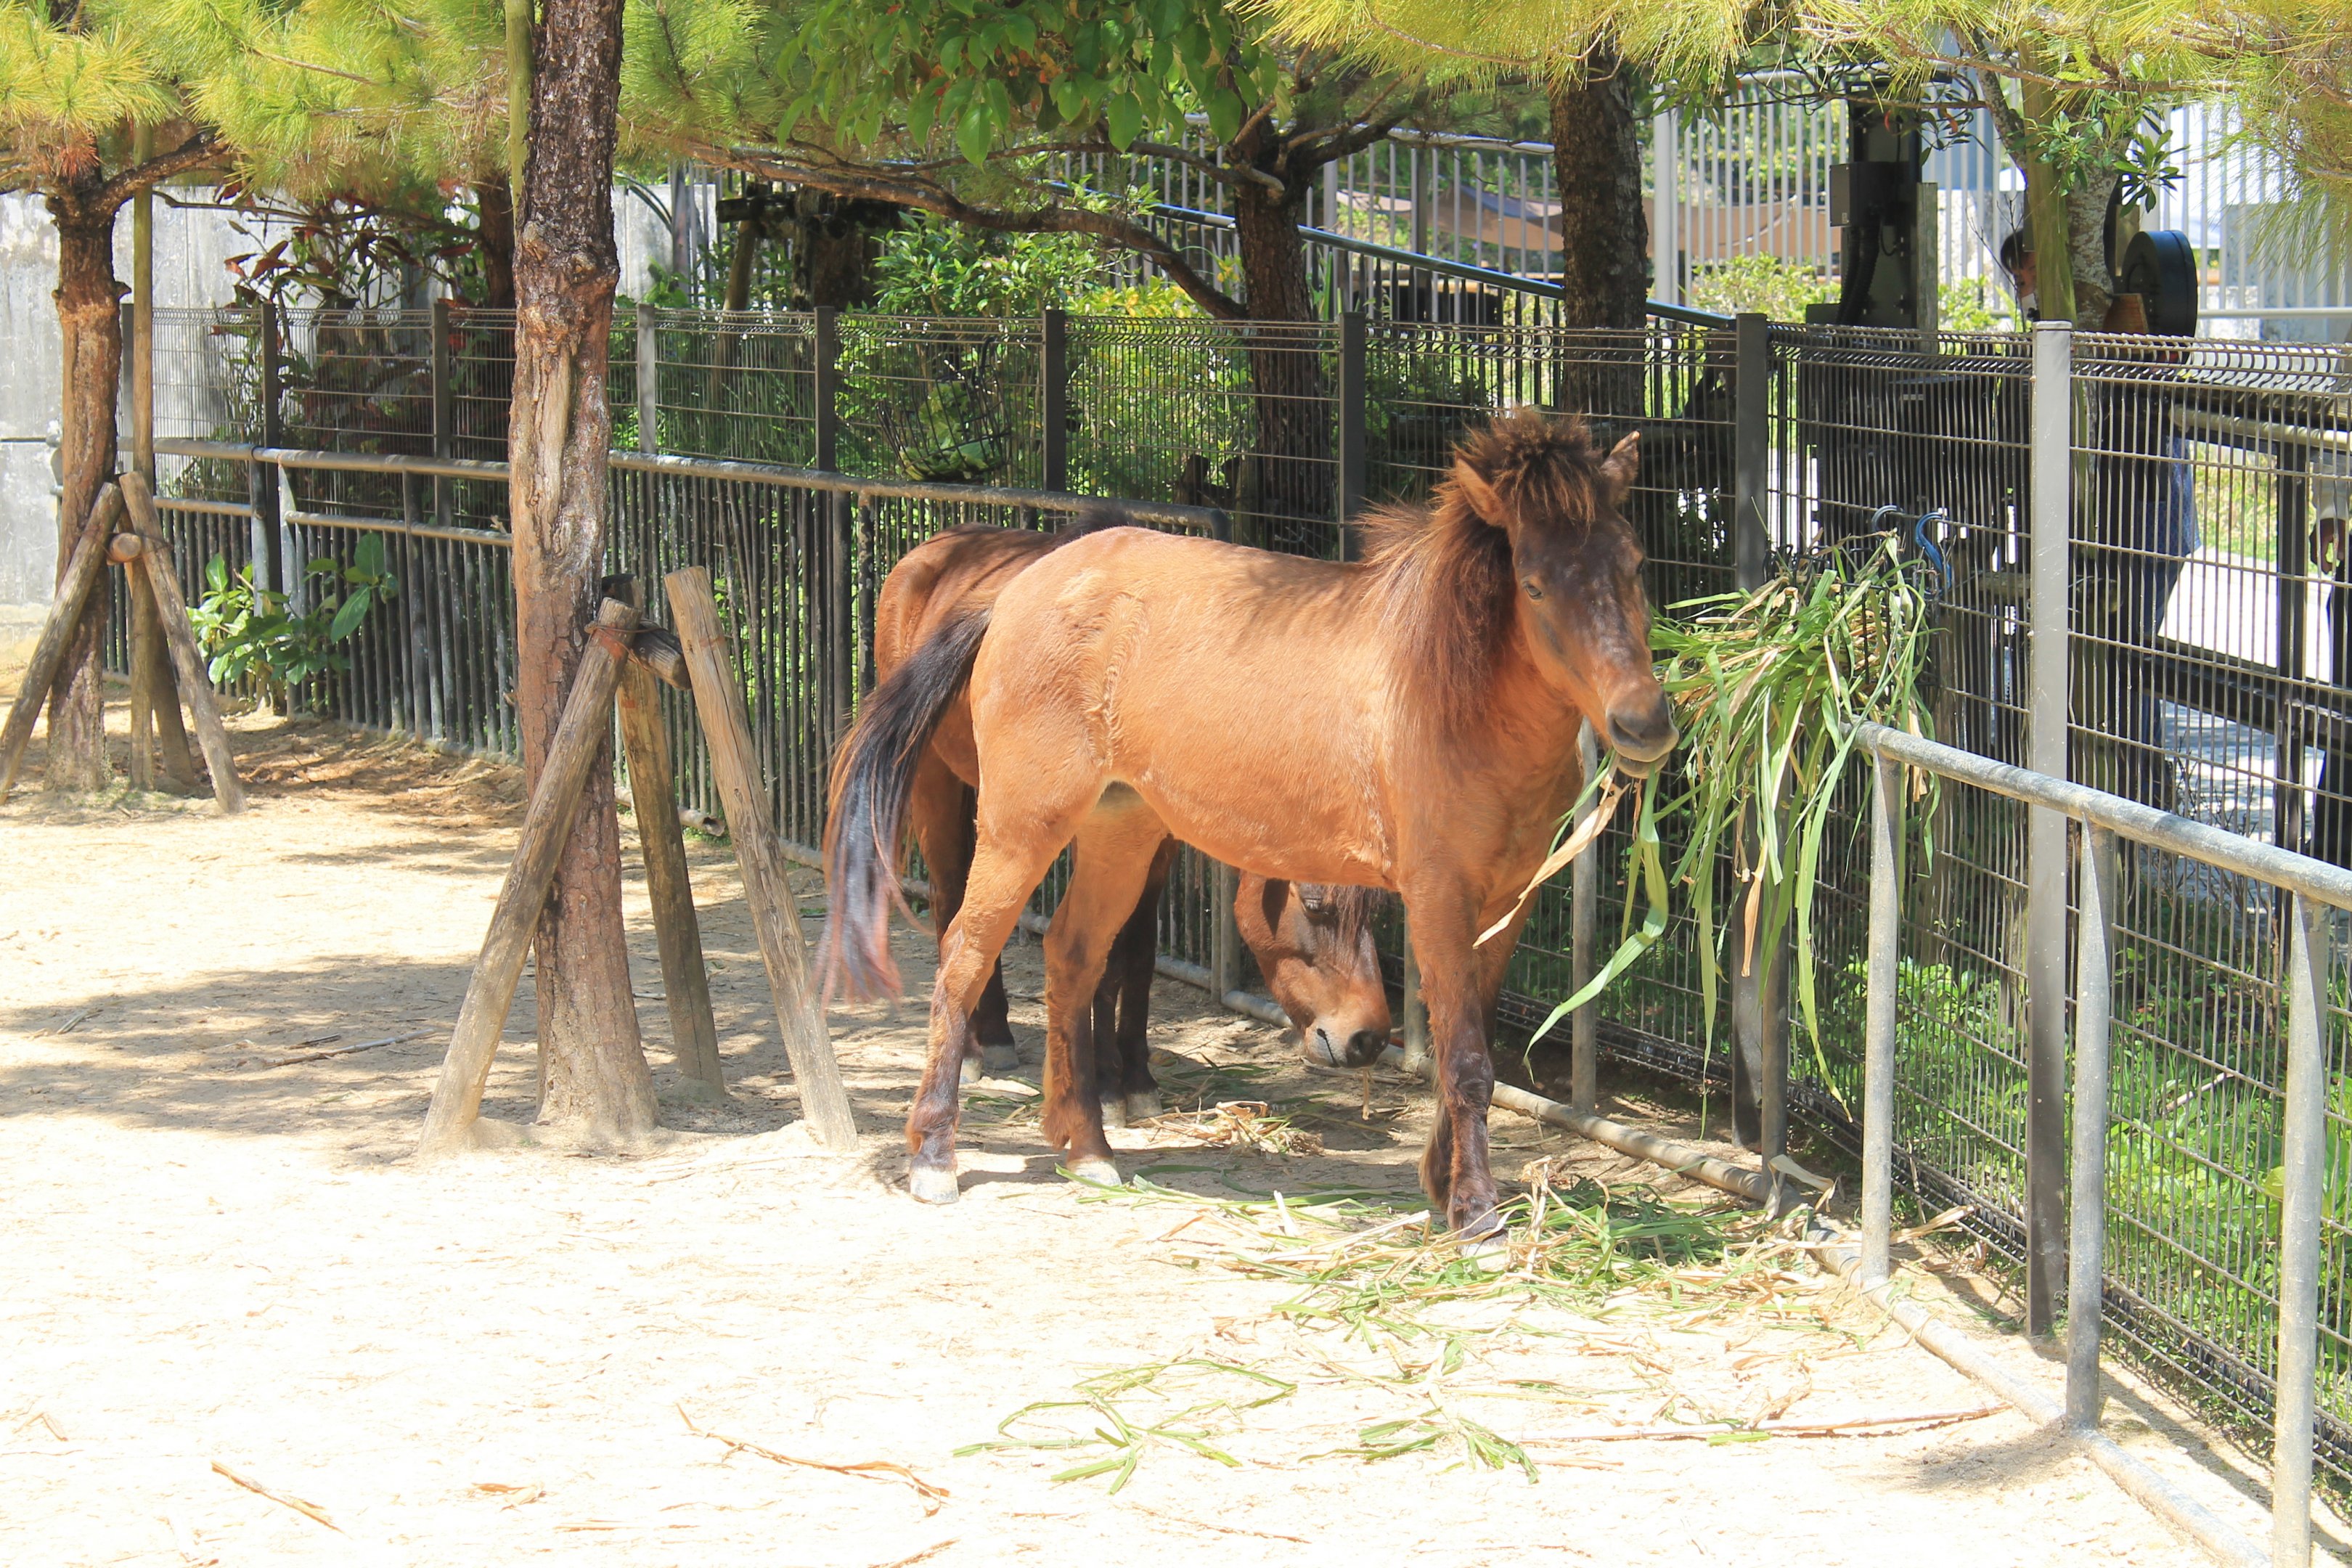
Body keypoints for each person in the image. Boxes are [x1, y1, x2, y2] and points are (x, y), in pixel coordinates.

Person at [2000, 226, 2199, 811]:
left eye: (2029, 271)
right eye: (2019, 276)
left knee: (2127, 656)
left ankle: (2142, 795)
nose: (2024, 284)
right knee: (2108, 654)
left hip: (2147, 512)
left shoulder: (2122, 333)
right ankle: (2116, 789)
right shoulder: (2069, 335)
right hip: (2114, 516)